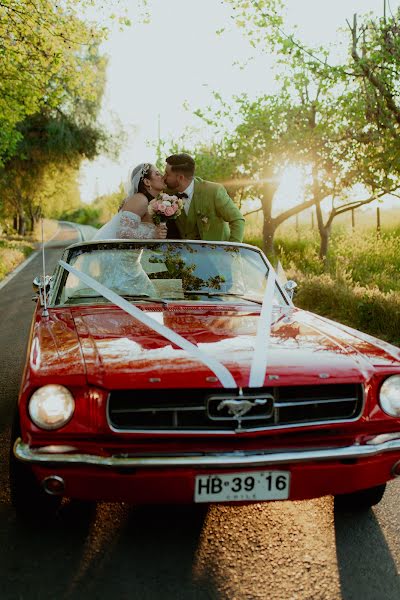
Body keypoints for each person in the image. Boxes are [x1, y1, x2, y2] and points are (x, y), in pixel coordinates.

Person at [163, 153, 245, 242]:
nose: (164, 177)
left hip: (215, 253)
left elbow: (237, 219)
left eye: (167, 174)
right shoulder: (167, 195)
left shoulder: (214, 191)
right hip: (185, 254)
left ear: (180, 178)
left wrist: (231, 252)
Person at [93, 163, 168, 240]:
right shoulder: (140, 199)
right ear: (147, 182)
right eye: (157, 174)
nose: (162, 176)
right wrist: (153, 235)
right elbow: (123, 233)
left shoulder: (152, 203)